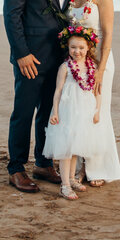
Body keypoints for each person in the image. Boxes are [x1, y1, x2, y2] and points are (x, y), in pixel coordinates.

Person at [3, 0, 72, 193]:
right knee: (23, 112)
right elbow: (12, 14)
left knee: (48, 111)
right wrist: (21, 53)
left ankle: (43, 163)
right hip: (30, 57)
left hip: (58, 56)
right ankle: (16, 168)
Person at [64, 0, 120, 186]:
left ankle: (95, 168)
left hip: (99, 62)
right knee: (78, 113)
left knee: (97, 112)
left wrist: (100, 68)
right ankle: (77, 166)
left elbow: (108, 33)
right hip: (75, 62)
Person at [44, 26, 103, 200]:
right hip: (67, 111)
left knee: (76, 146)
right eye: (73, 48)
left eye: (81, 48)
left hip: (83, 111)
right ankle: (65, 185)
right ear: (67, 48)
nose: (77, 51)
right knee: (65, 148)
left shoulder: (92, 67)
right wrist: (55, 112)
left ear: (89, 48)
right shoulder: (65, 67)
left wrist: (97, 110)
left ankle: (72, 178)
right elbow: (58, 91)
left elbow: (97, 91)